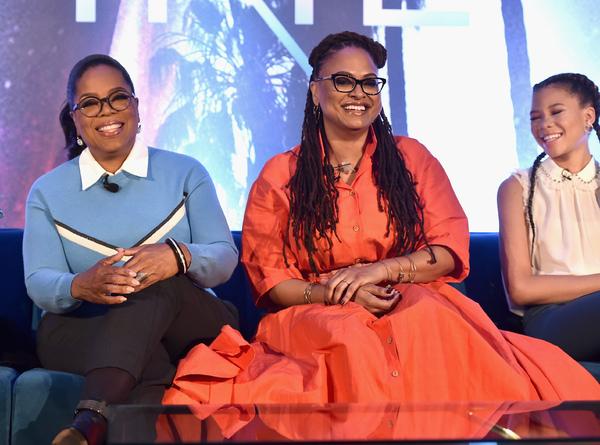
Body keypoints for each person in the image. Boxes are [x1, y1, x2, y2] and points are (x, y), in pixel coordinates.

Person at [163, 32, 600, 413]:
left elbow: (448, 248)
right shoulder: (280, 175)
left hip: (413, 300)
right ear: (316, 91)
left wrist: (380, 271)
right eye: (344, 81)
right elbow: (272, 280)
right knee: (348, 340)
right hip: (317, 309)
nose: (359, 92)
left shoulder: (414, 158)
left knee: (427, 326)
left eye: (369, 82)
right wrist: (337, 293)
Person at [23, 54, 239, 445]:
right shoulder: (47, 191)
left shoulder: (187, 172)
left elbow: (224, 257)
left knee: (156, 278)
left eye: (118, 98)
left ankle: (88, 421)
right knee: (143, 355)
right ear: (75, 118)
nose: (106, 111)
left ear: (136, 107)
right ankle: (94, 424)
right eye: (90, 103)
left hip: (191, 323)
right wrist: (79, 285)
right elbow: (39, 279)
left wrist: (177, 257)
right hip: (84, 325)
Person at [498, 73, 600, 364]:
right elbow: (519, 289)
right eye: (535, 117)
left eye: (556, 112)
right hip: (549, 319)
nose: (544, 125)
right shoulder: (517, 188)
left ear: (588, 116)